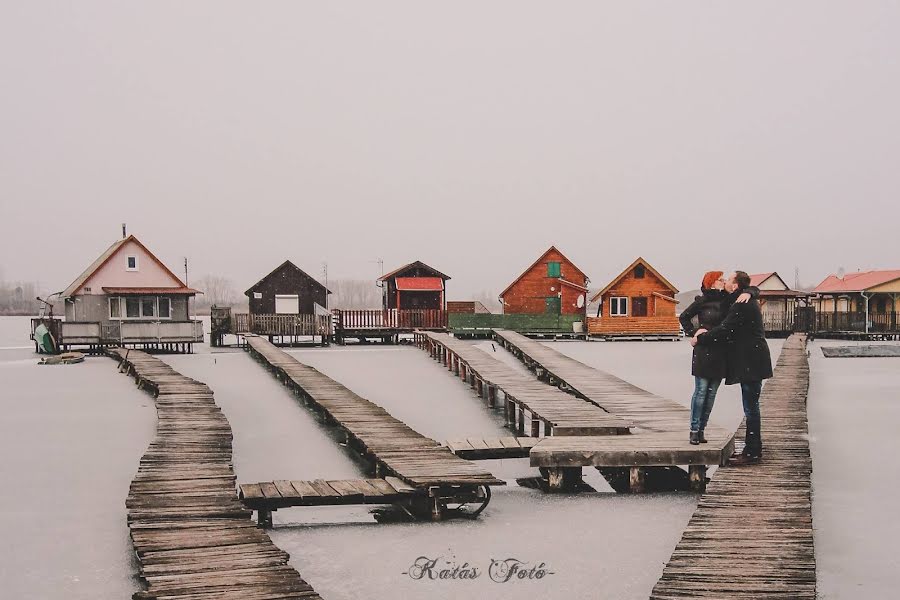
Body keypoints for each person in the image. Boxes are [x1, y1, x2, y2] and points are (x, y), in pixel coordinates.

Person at [693, 271, 773, 465]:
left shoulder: (741, 304)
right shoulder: (741, 299)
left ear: (735, 285)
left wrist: (699, 338)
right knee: (751, 406)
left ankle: (753, 452)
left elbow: (725, 329)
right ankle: (752, 448)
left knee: (751, 407)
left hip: (751, 361)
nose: (726, 282)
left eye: (729, 280)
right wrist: (752, 291)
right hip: (753, 360)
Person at [679, 272, 753, 445]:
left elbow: (751, 288)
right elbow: (684, 317)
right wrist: (694, 332)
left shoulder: (729, 299)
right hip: (703, 349)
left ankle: (702, 429)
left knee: (711, 394)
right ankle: (694, 430)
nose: (724, 281)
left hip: (721, 350)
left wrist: (749, 292)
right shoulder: (702, 300)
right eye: (721, 279)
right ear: (712, 283)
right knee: (701, 392)